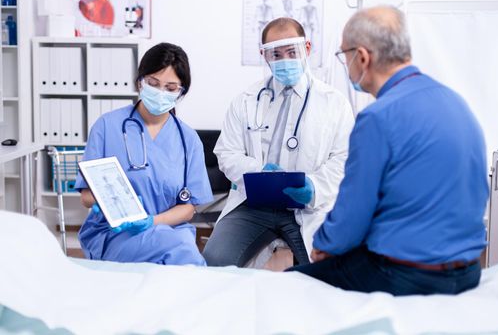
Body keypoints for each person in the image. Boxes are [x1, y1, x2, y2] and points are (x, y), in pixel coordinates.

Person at [287, 6, 488, 295]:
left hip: (407, 275)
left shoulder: (379, 117)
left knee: (289, 283)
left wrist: (323, 245)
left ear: (362, 57)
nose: (346, 64)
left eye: (344, 55)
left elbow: (352, 213)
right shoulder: (456, 102)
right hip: (468, 271)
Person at [203, 17, 354, 267]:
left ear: (306, 49)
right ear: (266, 57)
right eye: (276, 54)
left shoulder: (334, 103)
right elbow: (227, 152)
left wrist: (314, 187)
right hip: (253, 205)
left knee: (328, 270)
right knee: (214, 259)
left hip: (308, 208)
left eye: (291, 51)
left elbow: (344, 158)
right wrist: (258, 172)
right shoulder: (246, 100)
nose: (284, 60)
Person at [75, 42, 213, 265]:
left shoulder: (188, 139)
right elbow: (86, 196)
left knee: (174, 246)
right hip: (116, 233)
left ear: (181, 92)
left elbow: (188, 209)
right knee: (183, 256)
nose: (160, 93)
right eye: (153, 83)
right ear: (140, 81)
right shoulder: (107, 126)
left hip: (171, 231)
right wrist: (110, 203)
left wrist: (151, 222)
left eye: (170, 88)